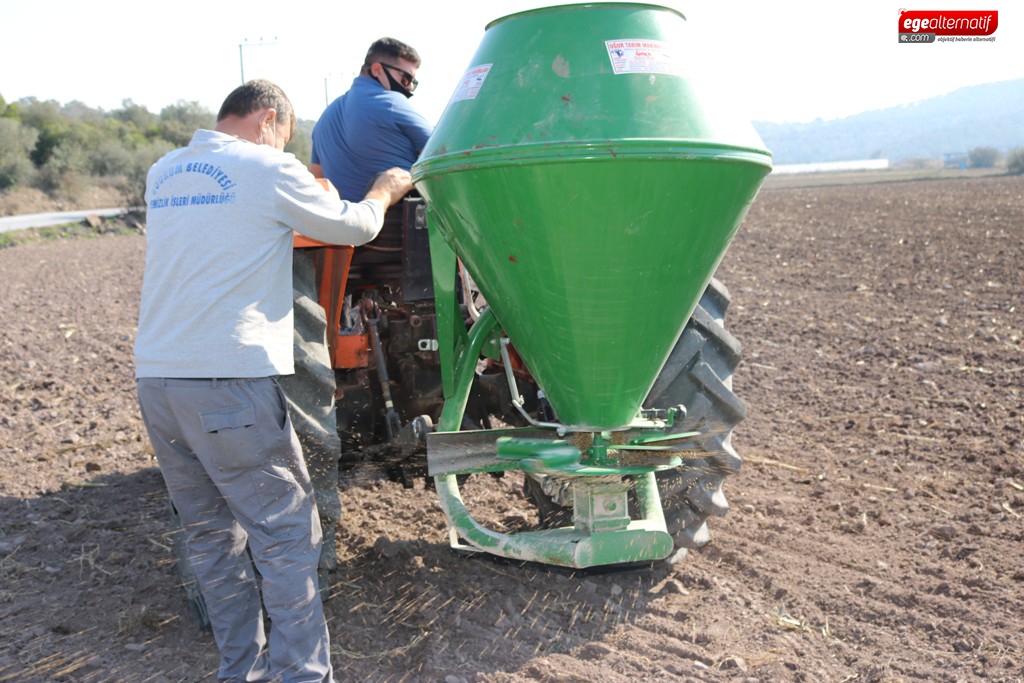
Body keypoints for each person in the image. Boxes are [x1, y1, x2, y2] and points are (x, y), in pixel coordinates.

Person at [134, 79, 411, 683]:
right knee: (286, 535)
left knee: (210, 535)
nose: (284, 147)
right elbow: (357, 226)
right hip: (228, 380)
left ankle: (242, 672)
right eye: (285, 136)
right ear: (267, 119)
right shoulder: (267, 166)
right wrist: (385, 189)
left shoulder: (166, 172)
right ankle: (304, 676)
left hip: (158, 379)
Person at [310, 37, 433, 199]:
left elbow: (317, 181)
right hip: (393, 219)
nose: (409, 87)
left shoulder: (324, 119)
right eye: (405, 78)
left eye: (413, 82)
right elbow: (439, 158)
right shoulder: (393, 103)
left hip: (342, 220)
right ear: (377, 70)